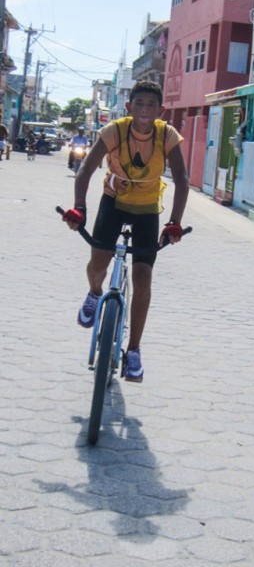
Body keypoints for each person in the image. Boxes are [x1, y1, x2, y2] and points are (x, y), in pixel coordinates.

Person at [62, 81, 189, 383]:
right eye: (139, 104)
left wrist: (174, 221)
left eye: (151, 105)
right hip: (113, 203)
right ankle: (95, 294)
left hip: (147, 209)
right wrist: (79, 207)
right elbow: (86, 169)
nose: (145, 110)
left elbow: (182, 180)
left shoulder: (167, 135)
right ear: (129, 107)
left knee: (143, 277)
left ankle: (133, 351)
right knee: (98, 263)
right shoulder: (115, 131)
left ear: (161, 111)